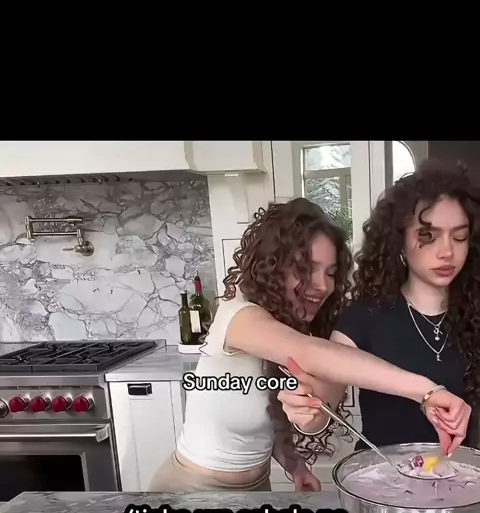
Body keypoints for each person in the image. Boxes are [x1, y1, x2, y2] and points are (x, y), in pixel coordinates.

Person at [149, 197, 471, 494]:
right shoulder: (238, 316)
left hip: (255, 490)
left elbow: (265, 410)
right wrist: (427, 391)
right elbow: (311, 353)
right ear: (273, 265)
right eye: (306, 269)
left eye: (330, 273)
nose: (322, 286)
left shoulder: (288, 327)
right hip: (190, 490)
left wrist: (294, 465)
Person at [278, 160, 479, 456]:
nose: (447, 251)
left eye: (459, 236)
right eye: (428, 236)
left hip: (464, 476)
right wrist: (307, 412)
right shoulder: (363, 318)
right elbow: (324, 401)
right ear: (400, 241)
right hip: (383, 477)